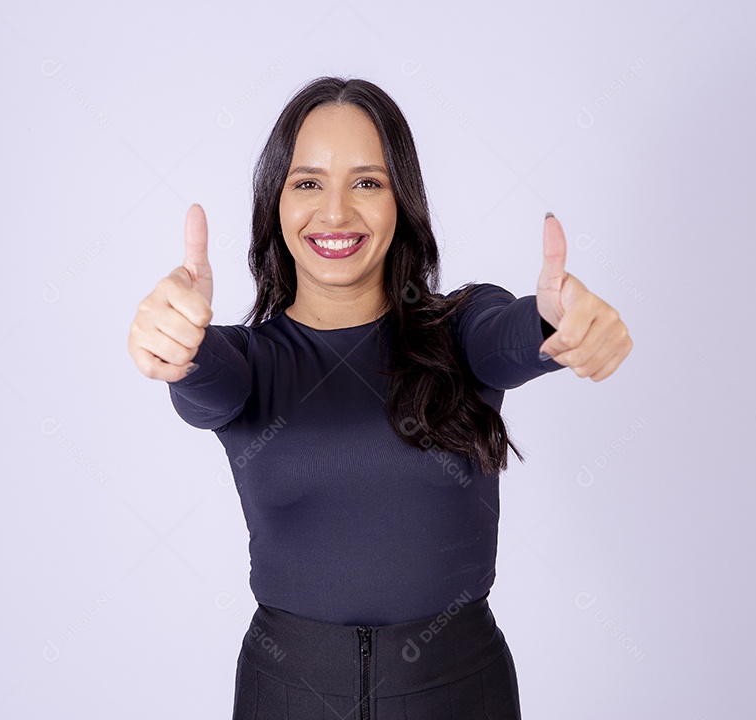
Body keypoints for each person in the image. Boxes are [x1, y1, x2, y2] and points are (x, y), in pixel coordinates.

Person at [128, 76, 632, 719]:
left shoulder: (459, 331)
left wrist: (557, 321)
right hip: (287, 694)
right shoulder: (247, 362)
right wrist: (175, 344)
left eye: (367, 182)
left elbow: (511, 334)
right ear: (275, 203)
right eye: (308, 182)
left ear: (403, 201)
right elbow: (202, 385)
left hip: (458, 693)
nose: (335, 212)